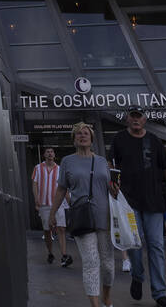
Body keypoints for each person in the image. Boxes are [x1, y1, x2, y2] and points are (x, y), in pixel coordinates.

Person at [109, 108, 166, 307]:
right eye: (133, 116)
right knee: (135, 244)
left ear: (145, 120)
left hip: (154, 202)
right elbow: (112, 165)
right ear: (128, 119)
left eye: (139, 117)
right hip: (129, 203)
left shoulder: (154, 141)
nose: (136, 120)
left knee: (156, 246)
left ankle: (159, 293)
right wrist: (112, 184)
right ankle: (137, 276)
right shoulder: (119, 139)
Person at [52, 123, 114, 307]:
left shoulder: (102, 161)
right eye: (78, 134)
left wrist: (116, 190)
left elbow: (110, 187)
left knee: (108, 265)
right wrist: (52, 213)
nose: (82, 136)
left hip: (106, 218)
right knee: (91, 262)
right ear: (74, 139)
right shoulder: (67, 161)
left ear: (92, 138)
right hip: (82, 217)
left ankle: (106, 296)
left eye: (85, 133)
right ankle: (95, 304)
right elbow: (61, 188)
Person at [33, 146, 70, 265]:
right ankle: (50, 252)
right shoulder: (38, 168)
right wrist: (36, 198)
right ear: (44, 155)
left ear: (54, 155)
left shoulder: (60, 169)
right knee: (47, 230)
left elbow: (64, 186)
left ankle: (64, 255)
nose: (50, 153)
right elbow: (34, 183)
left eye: (52, 152)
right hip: (44, 203)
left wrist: (69, 200)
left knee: (61, 228)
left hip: (58, 204)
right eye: (47, 152)